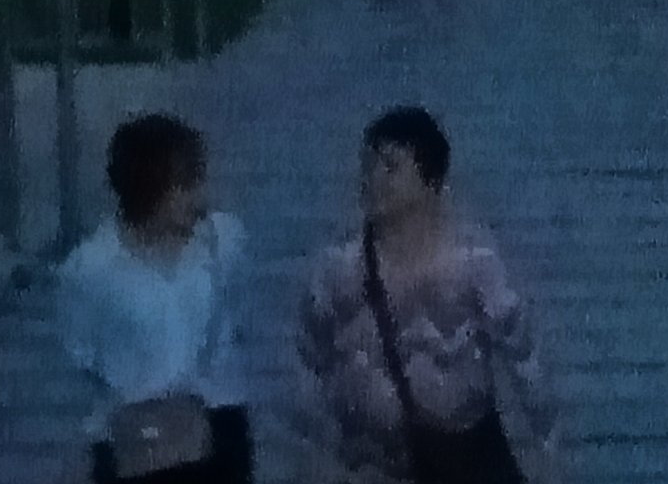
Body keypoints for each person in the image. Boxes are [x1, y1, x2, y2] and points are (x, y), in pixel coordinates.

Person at [298, 108, 555, 484]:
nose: (373, 178)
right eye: (368, 165)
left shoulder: (473, 264)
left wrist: (546, 451)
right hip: (375, 463)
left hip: (471, 457)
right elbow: (307, 365)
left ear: (431, 182)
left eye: (391, 167)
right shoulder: (338, 271)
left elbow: (525, 361)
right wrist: (318, 455)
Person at [58, 114, 251, 484]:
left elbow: (236, 313)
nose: (197, 199)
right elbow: (82, 351)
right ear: (147, 187)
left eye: (197, 181)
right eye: (182, 186)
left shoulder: (224, 241)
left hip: (217, 424)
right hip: (135, 436)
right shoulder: (92, 267)